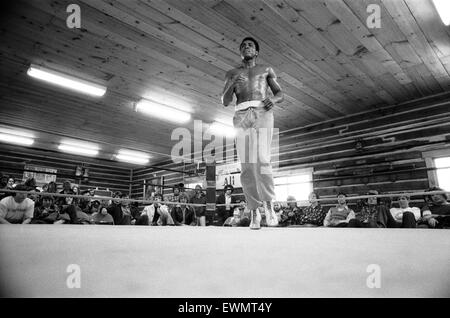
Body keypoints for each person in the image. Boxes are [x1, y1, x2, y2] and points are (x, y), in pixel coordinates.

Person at [221, 37, 284, 230]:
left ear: (256, 52)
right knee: (247, 165)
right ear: (240, 53)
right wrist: (232, 83)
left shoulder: (266, 70)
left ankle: (268, 205)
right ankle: (254, 210)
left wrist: (273, 100)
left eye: (250, 45)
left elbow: (280, 94)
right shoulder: (232, 72)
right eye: (243, 46)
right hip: (241, 114)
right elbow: (224, 101)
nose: (246, 47)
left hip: (262, 112)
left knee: (263, 159)